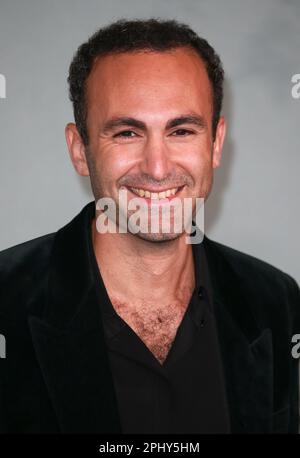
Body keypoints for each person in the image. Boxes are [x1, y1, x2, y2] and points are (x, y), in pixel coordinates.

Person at [0, 18, 299, 434]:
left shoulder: (276, 303)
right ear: (79, 150)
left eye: (181, 130)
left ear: (215, 144)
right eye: (126, 132)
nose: (157, 168)